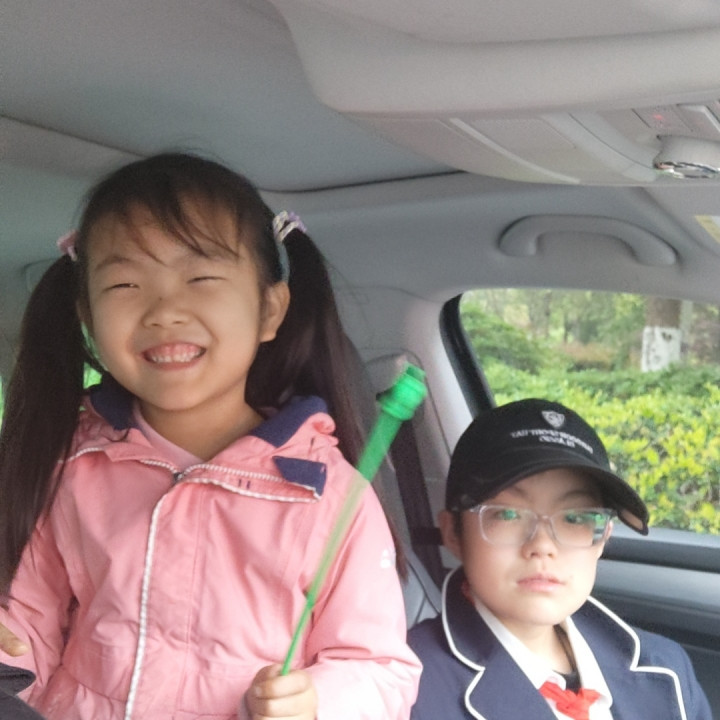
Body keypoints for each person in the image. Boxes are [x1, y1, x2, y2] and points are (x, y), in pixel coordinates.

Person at [0, 152, 420, 720]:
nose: (165, 311)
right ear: (88, 318)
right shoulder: (73, 466)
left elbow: (379, 666)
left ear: (269, 309)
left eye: (200, 278)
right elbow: (30, 622)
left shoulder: (327, 495)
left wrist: (320, 700)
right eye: (124, 283)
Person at [408, 398, 712, 720]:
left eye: (576, 518)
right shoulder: (406, 689)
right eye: (508, 514)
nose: (542, 545)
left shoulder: (667, 667)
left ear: (603, 537)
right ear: (453, 533)